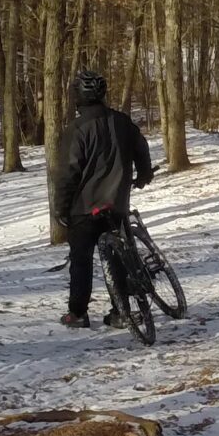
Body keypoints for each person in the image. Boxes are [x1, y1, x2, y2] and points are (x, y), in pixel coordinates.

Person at [57, 68, 154, 328]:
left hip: (85, 207)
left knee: (81, 261)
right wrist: (144, 175)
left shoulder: (77, 129)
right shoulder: (122, 122)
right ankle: (121, 311)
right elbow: (141, 149)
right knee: (120, 256)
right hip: (117, 204)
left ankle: (78, 313)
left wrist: (61, 209)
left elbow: (68, 173)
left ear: (78, 96)